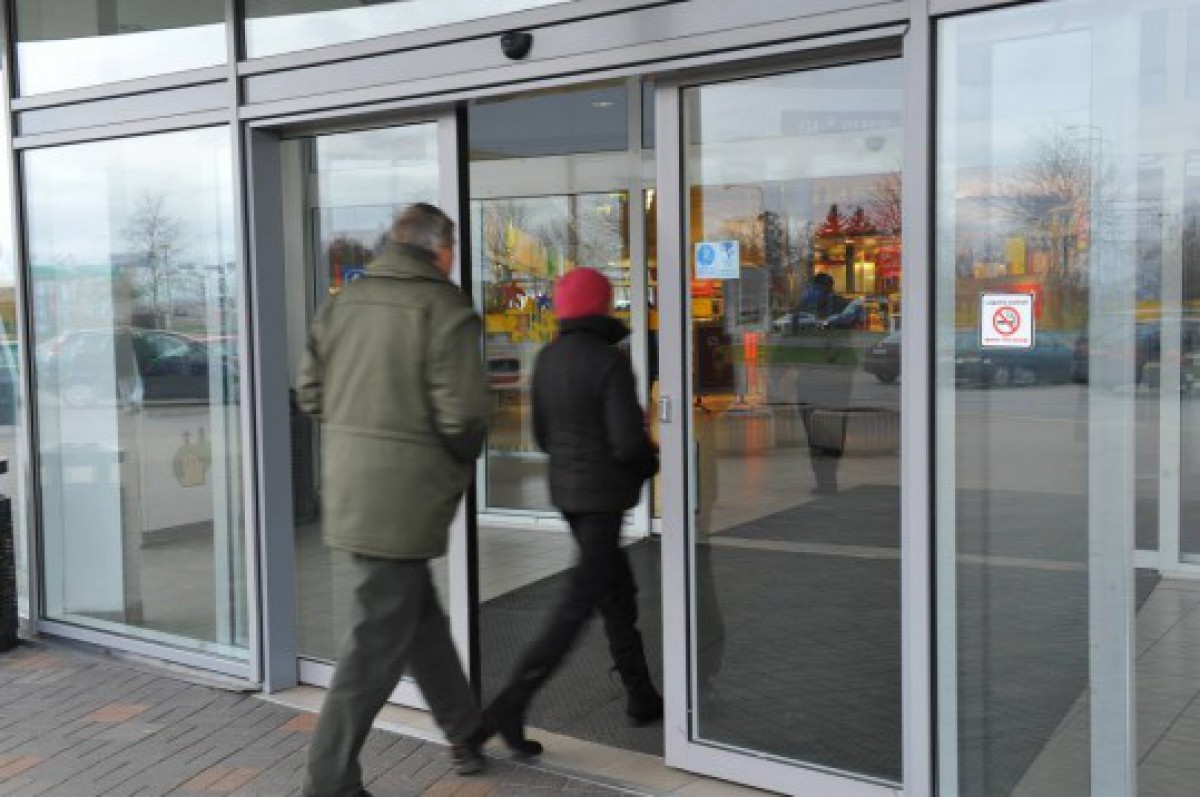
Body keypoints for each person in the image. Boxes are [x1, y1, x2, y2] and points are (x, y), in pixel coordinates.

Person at [297, 203, 492, 796]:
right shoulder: (443, 308)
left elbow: (310, 391)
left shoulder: (345, 301)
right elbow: (465, 415)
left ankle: (464, 729)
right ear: (440, 250)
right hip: (404, 498)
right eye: (453, 250)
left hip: (353, 489)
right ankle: (328, 781)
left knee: (416, 618)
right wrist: (452, 460)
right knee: (375, 643)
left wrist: (359, 437)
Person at [481, 267, 662, 756]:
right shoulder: (609, 361)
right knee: (573, 611)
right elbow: (627, 444)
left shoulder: (548, 357)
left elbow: (543, 436)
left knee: (616, 593)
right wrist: (651, 463)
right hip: (603, 501)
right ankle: (505, 709)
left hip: (569, 498)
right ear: (601, 306)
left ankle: (641, 694)